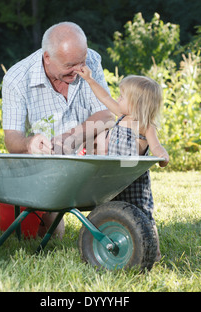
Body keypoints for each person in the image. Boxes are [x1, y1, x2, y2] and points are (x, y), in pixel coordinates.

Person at [2, 22, 113, 238]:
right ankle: (51, 215)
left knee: (107, 137)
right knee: (50, 237)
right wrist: (29, 143)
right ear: (47, 58)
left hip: (88, 149)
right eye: (70, 65)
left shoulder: (90, 60)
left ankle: (106, 217)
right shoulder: (16, 79)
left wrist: (69, 138)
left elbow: (107, 115)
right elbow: (12, 140)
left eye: (82, 62)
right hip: (47, 159)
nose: (79, 70)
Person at [77, 65, 169, 260]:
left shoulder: (145, 126)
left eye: (122, 96)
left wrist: (163, 156)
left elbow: (157, 147)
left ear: (137, 103)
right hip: (113, 179)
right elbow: (104, 97)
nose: (118, 99)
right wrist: (90, 80)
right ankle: (109, 244)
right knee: (109, 211)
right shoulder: (121, 115)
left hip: (134, 181)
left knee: (144, 217)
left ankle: (155, 252)